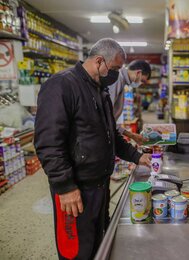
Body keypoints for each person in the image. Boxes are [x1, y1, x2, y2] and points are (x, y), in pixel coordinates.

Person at [34, 38, 151, 260]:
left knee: (97, 242)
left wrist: (137, 156)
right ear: (99, 61)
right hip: (76, 189)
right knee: (76, 250)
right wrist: (65, 186)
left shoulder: (101, 90)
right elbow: (48, 143)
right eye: (115, 68)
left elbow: (111, 134)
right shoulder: (61, 85)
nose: (117, 74)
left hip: (99, 184)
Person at [108, 59, 151, 145]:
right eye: (142, 81)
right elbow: (107, 117)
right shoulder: (117, 80)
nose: (141, 84)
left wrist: (132, 135)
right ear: (138, 73)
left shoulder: (122, 81)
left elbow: (110, 120)